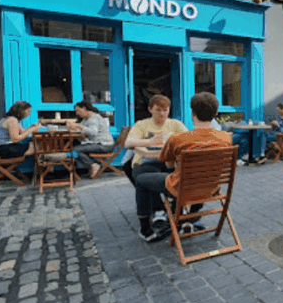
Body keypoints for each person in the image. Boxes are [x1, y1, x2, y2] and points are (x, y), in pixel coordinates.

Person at [133, 92, 231, 242]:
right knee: (195, 180)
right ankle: (185, 219)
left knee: (141, 180)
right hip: (211, 188)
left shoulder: (178, 139)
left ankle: (146, 230)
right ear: (216, 113)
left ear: (192, 113)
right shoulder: (226, 138)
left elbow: (169, 165)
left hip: (182, 187)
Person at [124, 95, 187, 233]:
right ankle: (159, 210)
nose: (162, 113)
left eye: (165, 110)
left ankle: (176, 211)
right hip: (146, 162)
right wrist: (150, 142)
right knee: (146, 176)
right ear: (150, 109)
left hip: (169, 162)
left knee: (176, 173)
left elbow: (187, 142)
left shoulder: (176, 124)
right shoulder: (142, 124)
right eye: (158, 110)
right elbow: (128, 143)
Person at [66, 101, 115, 178]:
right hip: (98, 143)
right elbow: (82, 131)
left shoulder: (94, 118)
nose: (77, 113)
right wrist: (74, 129)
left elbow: (93, 132)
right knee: (74, 148)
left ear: (84, 109)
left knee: (75, 149)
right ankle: (90, 166)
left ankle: (92, 165)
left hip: (104, 145)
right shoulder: (86, 119)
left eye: (78, 110)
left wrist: (79, 126)